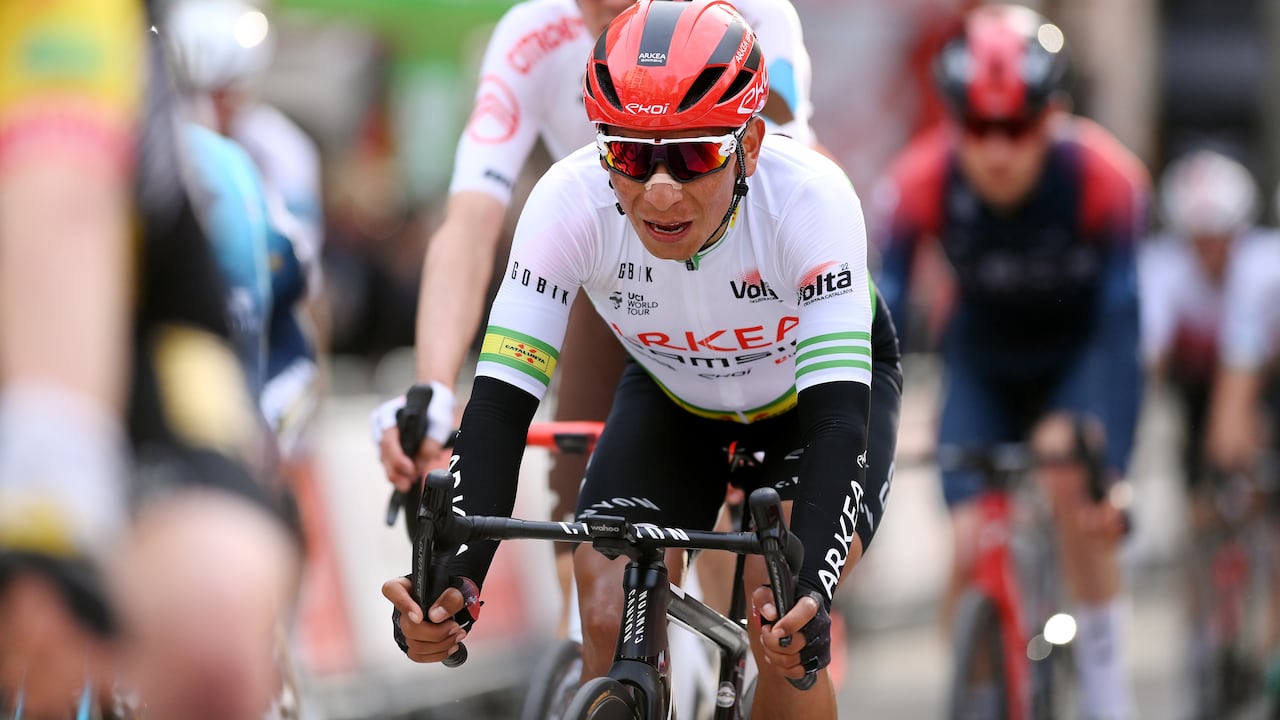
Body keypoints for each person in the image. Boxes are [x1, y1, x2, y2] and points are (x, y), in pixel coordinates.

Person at [382, 1, 887, 717]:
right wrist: (449, 586)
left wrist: (811, 596)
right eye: (628, 153)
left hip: (801, 409)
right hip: (675, 390)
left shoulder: (811, 197)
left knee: (778, 624)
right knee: (600, 596)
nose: (658, 188)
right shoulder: (568, 199)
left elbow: (839, 424)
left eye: (690, 155)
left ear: (748, 146)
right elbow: (497, 408)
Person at [0, 2, 302, 718]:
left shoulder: (248, 165)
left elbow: (61, 208)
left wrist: (53, 521)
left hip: (126, 304)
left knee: (210, 619)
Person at [872, 5, 1147, 718]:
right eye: (979, 127)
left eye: (1018, 128)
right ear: (953, 119)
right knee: (968, 539)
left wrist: (1110, 468)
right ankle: (974, 679)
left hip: (1076, 360)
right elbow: (881, 327)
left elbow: (1122, 334)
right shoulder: (918, 182)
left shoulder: (1107, 180)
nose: (998, 151)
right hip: (984, 365)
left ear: (1053, 116)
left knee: (1067, 479)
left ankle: (1107, 697)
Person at [165, 0, 324, 454]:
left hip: (271, 332)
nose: (223, 107)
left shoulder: (279, 148)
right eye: (211, 94)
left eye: (231, 93)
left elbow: (304, 280)